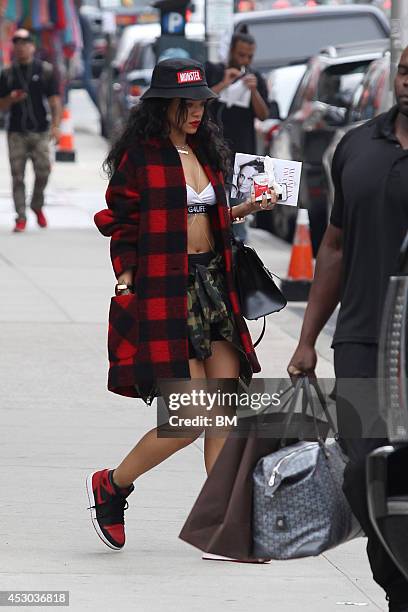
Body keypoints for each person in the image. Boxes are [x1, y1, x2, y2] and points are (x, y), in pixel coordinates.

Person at [87, 58, 277, 553]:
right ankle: (113, 483)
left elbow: (209, 218)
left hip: (215, 284)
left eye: (201, 105)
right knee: (190, 418)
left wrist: (248, 209)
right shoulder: (141, 158)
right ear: (164, 105)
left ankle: (226, 529)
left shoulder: (208, 152)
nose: (197, 113)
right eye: (188, 104)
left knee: (223, 414)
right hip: (167, 291)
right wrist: (126, 276)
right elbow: (122, 221)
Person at [288, 47, 408, 611]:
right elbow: (333, 247)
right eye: (405, 71)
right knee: (364, 470)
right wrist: (308, 337)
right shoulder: (357, 145)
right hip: (362, 338)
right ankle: (395, 585)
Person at [205, 29, 269, 242]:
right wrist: (224, 83)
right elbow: (200, 103)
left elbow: (263, 114)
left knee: (240, 210)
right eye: (241, 55)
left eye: (249, 56)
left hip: (243, 155)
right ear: (231, 51)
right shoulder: (214, 70)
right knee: (214, 205)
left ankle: (239, 253)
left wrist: (253, 91)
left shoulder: (255, 78)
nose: (245, 60)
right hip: (214, 151)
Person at [0, 29, 61, 233]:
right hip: (16, 131)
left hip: (40, 130)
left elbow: (54, 100)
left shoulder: (45, 70)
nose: (21, 46)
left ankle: (37, 204)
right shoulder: (7, 73)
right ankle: (21, 216)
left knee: (43, 170)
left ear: (32, 46)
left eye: (25, 42)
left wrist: (56, 125)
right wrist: (11, 99)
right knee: (17, 176)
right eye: (17, 43)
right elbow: (1, 104)